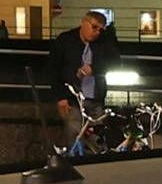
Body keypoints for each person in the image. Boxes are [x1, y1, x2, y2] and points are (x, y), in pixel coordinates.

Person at [47, 8, 119, 153]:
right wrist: (60, 97)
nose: (97, 32)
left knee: (97, 139)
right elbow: (52, 70)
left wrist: (95, 69)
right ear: (83, 23)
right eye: (94, 27)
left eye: (101, 30)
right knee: (74, 137)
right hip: (73, 100)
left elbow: (115, 62)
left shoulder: (104, 42)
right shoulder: (65, 40)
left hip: (95, 99)